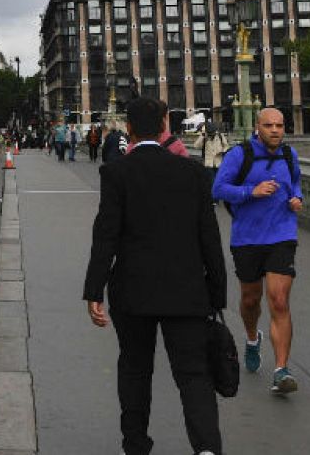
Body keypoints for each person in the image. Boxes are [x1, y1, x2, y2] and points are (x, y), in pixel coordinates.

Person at [84, 96, 227, 455]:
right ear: (165, 125)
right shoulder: (193, 172)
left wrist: (94, 290)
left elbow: (106, 236)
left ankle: (136, 443)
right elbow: (209, 237)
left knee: (134, 368)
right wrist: (217, 293)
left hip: (133, 290)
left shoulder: (116, 173)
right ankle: (206, 447)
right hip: (187, 289)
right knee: (193, 374)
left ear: (128, 129)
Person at [211, 107, 303, 394]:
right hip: (248, 238)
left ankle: (281, 370)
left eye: (279, 125)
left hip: (282, 234)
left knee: (279, 300)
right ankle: (252, 338)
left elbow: (296, 182)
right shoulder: (239, 155)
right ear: (257, 127)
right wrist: (251, 191)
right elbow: (218, 189)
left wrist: (296, 198)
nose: (275, 130)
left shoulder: (290, 155)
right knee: (251, 299)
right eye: (269, 125)